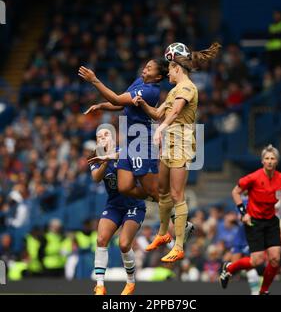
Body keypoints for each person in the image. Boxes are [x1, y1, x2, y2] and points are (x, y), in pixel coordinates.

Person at [79, 59, 195, 241]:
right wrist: (102, 106)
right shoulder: (140, 82)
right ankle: (158, 197)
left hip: (142, 143)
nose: (145, 68)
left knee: (153, 191)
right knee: (124, 187)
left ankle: (182, 221)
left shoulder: (150, 91)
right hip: (129, 143)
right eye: (146, 65)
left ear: (157, 76)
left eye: (149, 68)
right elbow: (120, 103)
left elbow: (117, 99)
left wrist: (94, 80)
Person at [134, 42, 221, 262]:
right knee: (162, 190)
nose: (167, 75)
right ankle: (163, 234)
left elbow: (175, 112)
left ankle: (179, 244)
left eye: (169, 70)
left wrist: (161, 128)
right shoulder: (174, 90)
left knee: (176, 194)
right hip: (170, 141)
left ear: (176, 68)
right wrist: (142, 103)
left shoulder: (187, 88)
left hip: (181, 141)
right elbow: (157, 113)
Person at [219, 144, 281, 294]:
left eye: (272, 158)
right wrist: (243, 212)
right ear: (262, 161)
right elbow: (235, 192)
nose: (269, 161)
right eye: (267, 158)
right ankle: (229, 268)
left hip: (271, 221)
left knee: (275, 260)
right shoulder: (253, 177)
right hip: (254, 222)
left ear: (276, 161)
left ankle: (263, 291)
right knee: (257, 261)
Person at [88, 125, 146, 295]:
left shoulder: (124, 151)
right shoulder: (96, 157)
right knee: (101, 240)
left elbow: (129, 156)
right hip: (114, 205)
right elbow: (96, 177)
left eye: (106, 134)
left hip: (134, 205)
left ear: (114, 137)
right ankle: (100, 286)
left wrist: (111, 156)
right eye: (99, 136)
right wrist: (105, 160)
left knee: (124, 243)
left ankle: (130, 282)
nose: (103, 138)